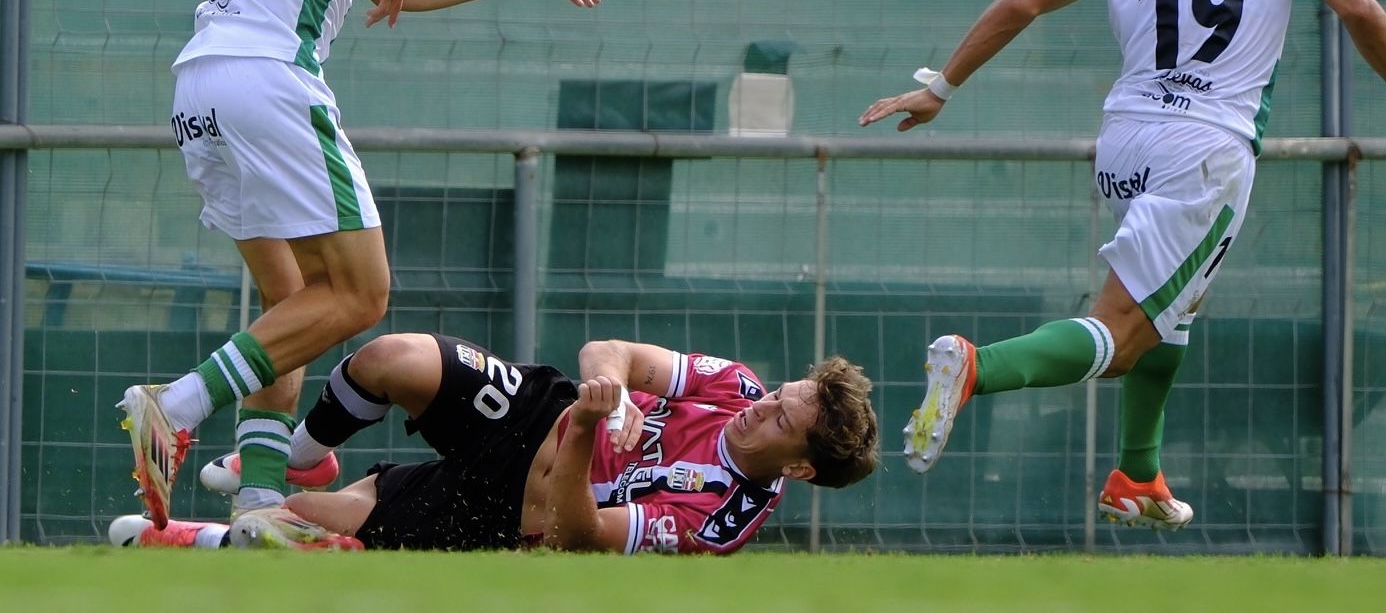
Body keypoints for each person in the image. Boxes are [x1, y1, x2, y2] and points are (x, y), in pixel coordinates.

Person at [858, 0, 1386, 530]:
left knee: (1173, 309)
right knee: (1121, 335)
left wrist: (941, 87)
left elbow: (1024, 1)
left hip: (1125, 141)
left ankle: (1137, 474)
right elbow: (1357, 6)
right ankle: (975, 368)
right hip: (1207, 147)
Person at [119, 0, 609, 529]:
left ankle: (263, 507)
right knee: (361, 293)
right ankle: (175, 404)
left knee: (296, 315)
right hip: (267, 78)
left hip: (205, 85)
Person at [110, 331, 879, 554]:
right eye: (782, 394)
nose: (761, 408)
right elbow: (610, 352)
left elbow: (579, 536)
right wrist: (605, 396)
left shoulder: (720, 519)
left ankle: (186, 538)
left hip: (517, 514)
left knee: (290, 524)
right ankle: (302, 447)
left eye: (781, 419)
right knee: (387, 359)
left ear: (802, 467)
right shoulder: (735, 386)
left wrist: (586, 433)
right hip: (532, 410)